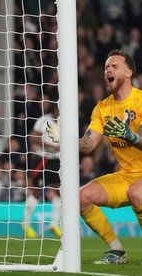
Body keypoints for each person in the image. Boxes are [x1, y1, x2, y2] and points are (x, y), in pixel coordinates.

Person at [47, 49, 142, 264]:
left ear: (129, 72)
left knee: (137, 193)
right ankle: (117, 251)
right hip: (127, 176)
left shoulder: (140, 101)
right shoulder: (103, 108)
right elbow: (88, 145)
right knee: (80, 197)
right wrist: (65, 138)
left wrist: (131, 136)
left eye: (114, 66)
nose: (108, 70)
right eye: (107, 67)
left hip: (139, 182)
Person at [22, 103, 62, 239]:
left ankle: (54, 224)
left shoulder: (66, 122)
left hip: (56, 161)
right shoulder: (45, 120)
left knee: (60, 191)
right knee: (37, 192)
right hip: (42, 159)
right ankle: (26, 224)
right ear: (55, 108)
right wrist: (51, 147)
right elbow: (33, 138)